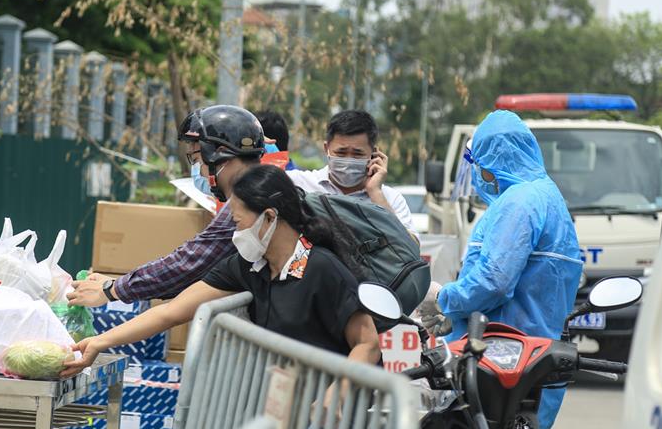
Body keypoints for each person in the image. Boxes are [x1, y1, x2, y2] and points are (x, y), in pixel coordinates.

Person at [61, 165, 381, 377]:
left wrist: (337, 395)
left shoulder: (322, 269)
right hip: (285, 417)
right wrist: (99, 342)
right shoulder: (249, 266)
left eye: (240, 223)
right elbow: (170, 312)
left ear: (269, 218)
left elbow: (367, 343)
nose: (236, 233)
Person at [416, 110, 583, 429]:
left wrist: (444, 299)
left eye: (476, 164)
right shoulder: (545, 197)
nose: (477, 175)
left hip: (506, 366)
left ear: (491, 162)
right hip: (529, 363)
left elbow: (493, 282)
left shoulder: (519, 203)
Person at [68, 105, 265, 307]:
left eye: (197, 160)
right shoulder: (266, 186)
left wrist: (113, 289)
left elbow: (188, 263)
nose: (200, 172)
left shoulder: (250, 200)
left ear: (220, 153)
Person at [287, 110, 418, 236]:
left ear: (374, 153)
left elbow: (411, 248)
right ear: (326, 148)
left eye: (357, 154)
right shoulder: (297, 184)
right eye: (341, 153)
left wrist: (375, 193)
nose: (348, 160)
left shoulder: (390, 199)